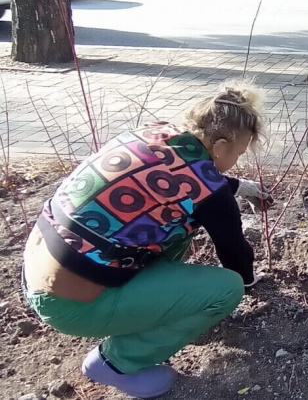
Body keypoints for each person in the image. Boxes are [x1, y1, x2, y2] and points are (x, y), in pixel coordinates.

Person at [21, 82, 274, 399]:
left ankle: (147, 310)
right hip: (69, 304)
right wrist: (250, 283)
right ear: (221, 145)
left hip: (39, 264)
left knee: (176, 224)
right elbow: (234, 253)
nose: (236, 160)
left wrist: (240, 187)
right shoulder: (210, 190)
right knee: (228, 288)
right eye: (237, 153)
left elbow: (180, 173)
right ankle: (115, 364)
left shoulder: (154, 134)